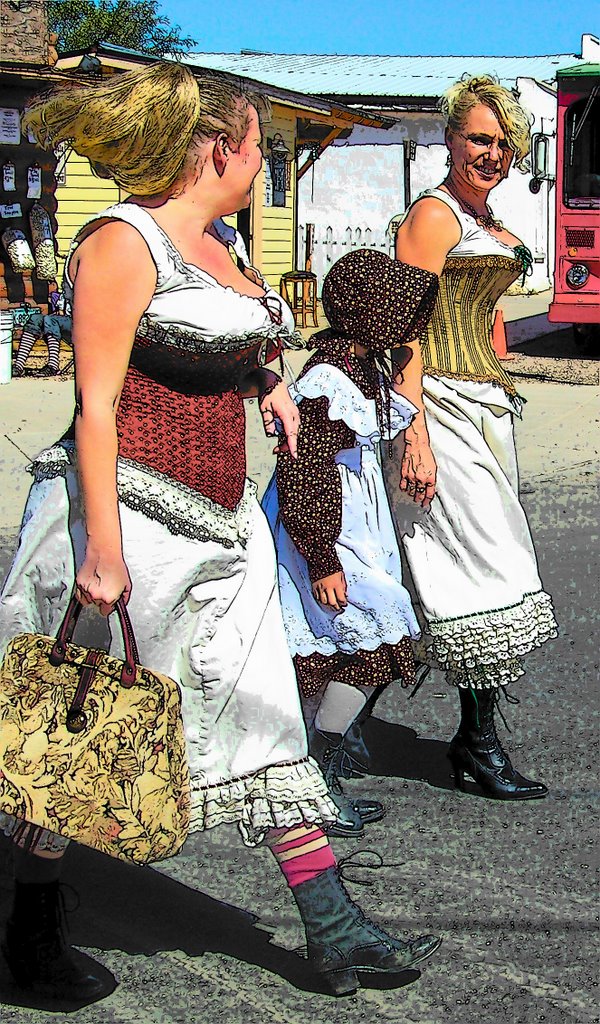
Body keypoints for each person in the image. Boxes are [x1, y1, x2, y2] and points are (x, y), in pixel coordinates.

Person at [0, 63, 441, 1003]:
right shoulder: (122, 242)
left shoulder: (222, 239)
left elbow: (239, 340)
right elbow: (97, 403)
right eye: (256, 147)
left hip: (226, 523)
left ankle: (334, 929)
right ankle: (31, 924)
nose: (261, 167)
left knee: (269, 724)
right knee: (89, 735)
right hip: (131, 519)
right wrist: (104, 553)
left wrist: (268, 384)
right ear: (219, 148)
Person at [391, 74, 558, 799]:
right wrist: (414, 435)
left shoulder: (484, 220)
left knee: (470, 566)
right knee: (473, 566)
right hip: (440, 402)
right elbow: (405, 330)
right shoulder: (433, 218)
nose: (491, 153)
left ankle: (471, 737)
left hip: (486, 403)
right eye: (479, 139)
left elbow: (486, 314)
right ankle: (473, 744)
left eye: (502, 143)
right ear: (450, 140)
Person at [264, 248, 438, 837]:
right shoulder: (327, 380)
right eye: (397, 311)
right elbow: (303, 467)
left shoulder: (363, 365)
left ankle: (316, 772)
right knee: (370, 629)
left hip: (357, 520)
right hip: (327, 527)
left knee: (349, 643)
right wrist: (321, 555)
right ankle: (317, 770)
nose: (408, 323)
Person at [13, 290, 72, 376]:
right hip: (67, 320)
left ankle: (53, 365)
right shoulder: (68, 283)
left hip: (83, 326)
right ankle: (19, 366)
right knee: (35, 318)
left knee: (50, 319)